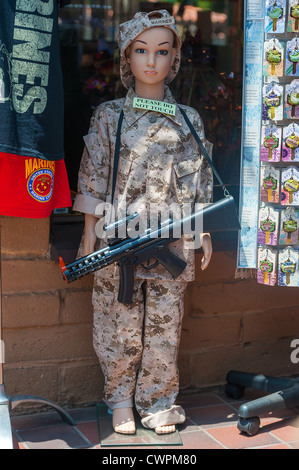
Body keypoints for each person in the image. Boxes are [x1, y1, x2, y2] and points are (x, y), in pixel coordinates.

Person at [73, 10, 213, 435]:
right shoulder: (110, 116)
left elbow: (198, 182)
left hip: (171, 240)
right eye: (141, 50)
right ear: (126, 57)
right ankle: (119, 400)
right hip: (120, 240)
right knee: (118, 323)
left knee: (164, 328)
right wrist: (88, 238)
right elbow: (93, 180)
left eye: (162, 51)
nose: (151, 61)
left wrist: (200, 231)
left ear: (175, 59)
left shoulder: (188, 118)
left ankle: (158, 402)